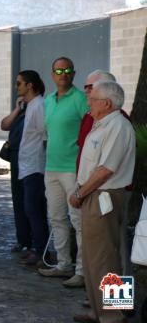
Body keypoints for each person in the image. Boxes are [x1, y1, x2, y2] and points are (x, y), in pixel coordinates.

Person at [70, 81, 135, 323]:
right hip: (94, 194)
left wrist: (79, 193)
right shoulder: (104, 123)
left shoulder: (117, 125)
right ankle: (98, 311)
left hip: (103, 195)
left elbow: (105, 170)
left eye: (93, 98)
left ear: (106, 103)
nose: (88, 102)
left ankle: (113, 315)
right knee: (93, 257)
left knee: (107, 257)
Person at [39, 57, 89, 288]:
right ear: (52, 74)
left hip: (73, 170)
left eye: (68, 70)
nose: (63, 74)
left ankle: (82, 271)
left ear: (74, 73)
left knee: (77, 220)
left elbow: (90, 130)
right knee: (57, 218)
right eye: (59, 70)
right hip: (51, 168)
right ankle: (63, 265)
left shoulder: (81, 99)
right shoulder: (48, 100)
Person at [12, 71, 50, 267]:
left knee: (34, 209)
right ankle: (37, 247)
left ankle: (41, 249)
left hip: (36, 165)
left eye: (19, 83)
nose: (16, 86)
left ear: (29, 85)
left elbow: (45, 136)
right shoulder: (31, 105)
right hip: (27, 164)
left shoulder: (39, 105)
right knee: (30, 209)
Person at [1, 97, 31, 255]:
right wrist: (17, 109)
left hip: (31, 161)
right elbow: (4, 125)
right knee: (18, 200)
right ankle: (22, 239)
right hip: (16, 160)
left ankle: (32, 242)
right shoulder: (19, 116)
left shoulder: (39, 111)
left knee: (31, 203)